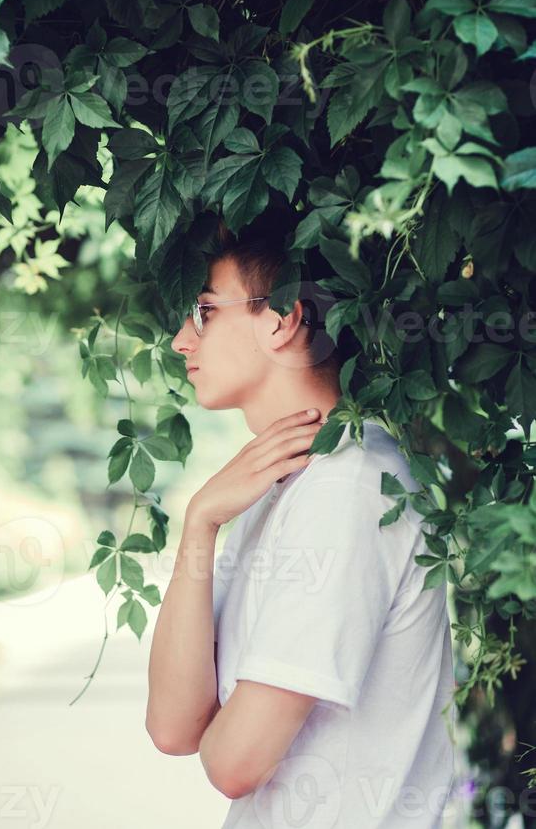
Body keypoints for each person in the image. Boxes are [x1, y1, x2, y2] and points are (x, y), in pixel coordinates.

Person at [145, 206, 457, 828]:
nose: (181, 340)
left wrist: (225, 729)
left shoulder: (352, 488)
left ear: (283, 318)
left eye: (205, 311)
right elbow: (174, 727)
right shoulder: (279, 486)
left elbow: (233, 765)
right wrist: (200, 523)